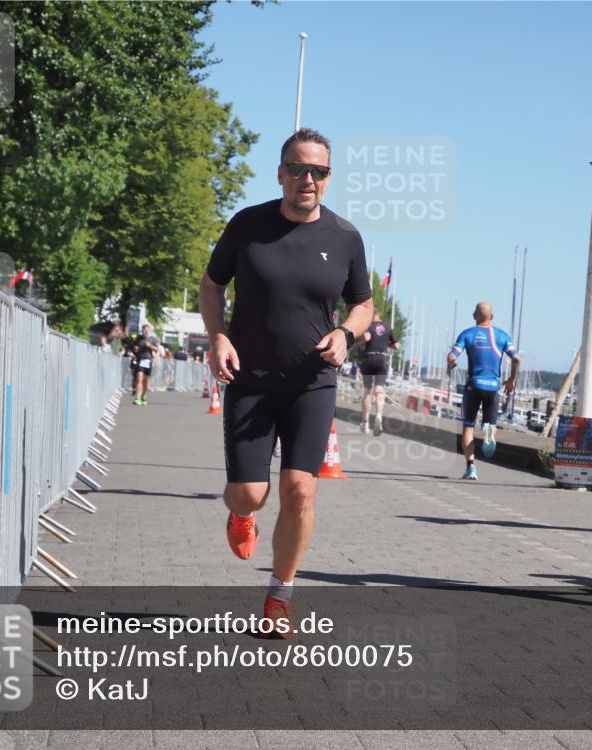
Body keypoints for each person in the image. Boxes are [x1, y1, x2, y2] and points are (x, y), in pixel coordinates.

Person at [199, 128, 374, 636]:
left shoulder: (345, 237)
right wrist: (218, 337)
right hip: (249, 380)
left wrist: (346, 333)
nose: (307, 179)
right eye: (297, 169)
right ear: (280, 173)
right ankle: (241, 515)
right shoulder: (247, 225)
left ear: (328, 178)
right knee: (249, 493)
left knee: (300, 492)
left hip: (312, 384)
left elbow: (363, 304)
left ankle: (279, 596)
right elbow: (212, 285)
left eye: (317, 171)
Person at [446, 302, 520, 481]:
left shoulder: (467, 334)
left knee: (468, 426)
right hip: (493, 388)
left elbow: (453, 355)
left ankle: (471, 468)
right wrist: (511, 380)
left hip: (473, 386)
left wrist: (451, 363)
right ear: (492, 317)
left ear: (474, 316)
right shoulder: (502, 336)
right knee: (490, 424)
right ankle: (489, 433)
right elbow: (517, 358)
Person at [358, 309, 401, 436]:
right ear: (379, 315)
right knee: (379, 391)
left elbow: (363, 341)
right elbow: (397, 345)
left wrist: (362, 341)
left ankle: (365, 423)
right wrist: (389, 345)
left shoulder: (368, 326)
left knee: (367, 391)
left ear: (372, 315)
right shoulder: (388, 328)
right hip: (382, 360)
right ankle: (379, 416)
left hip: (369, 359)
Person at [133, 324, 159, 405]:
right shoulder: (139, 338)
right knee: (139, 379)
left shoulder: (153, 339)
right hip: (140, 360)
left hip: (148, 361)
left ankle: (144, 397)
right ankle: (137, 398)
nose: (145, 332)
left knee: (146, 381)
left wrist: (150, 346)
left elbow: (157, 350)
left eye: (147, 330)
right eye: (144, 330)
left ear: (150, 331)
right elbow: (134, 347)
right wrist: (136, 349)